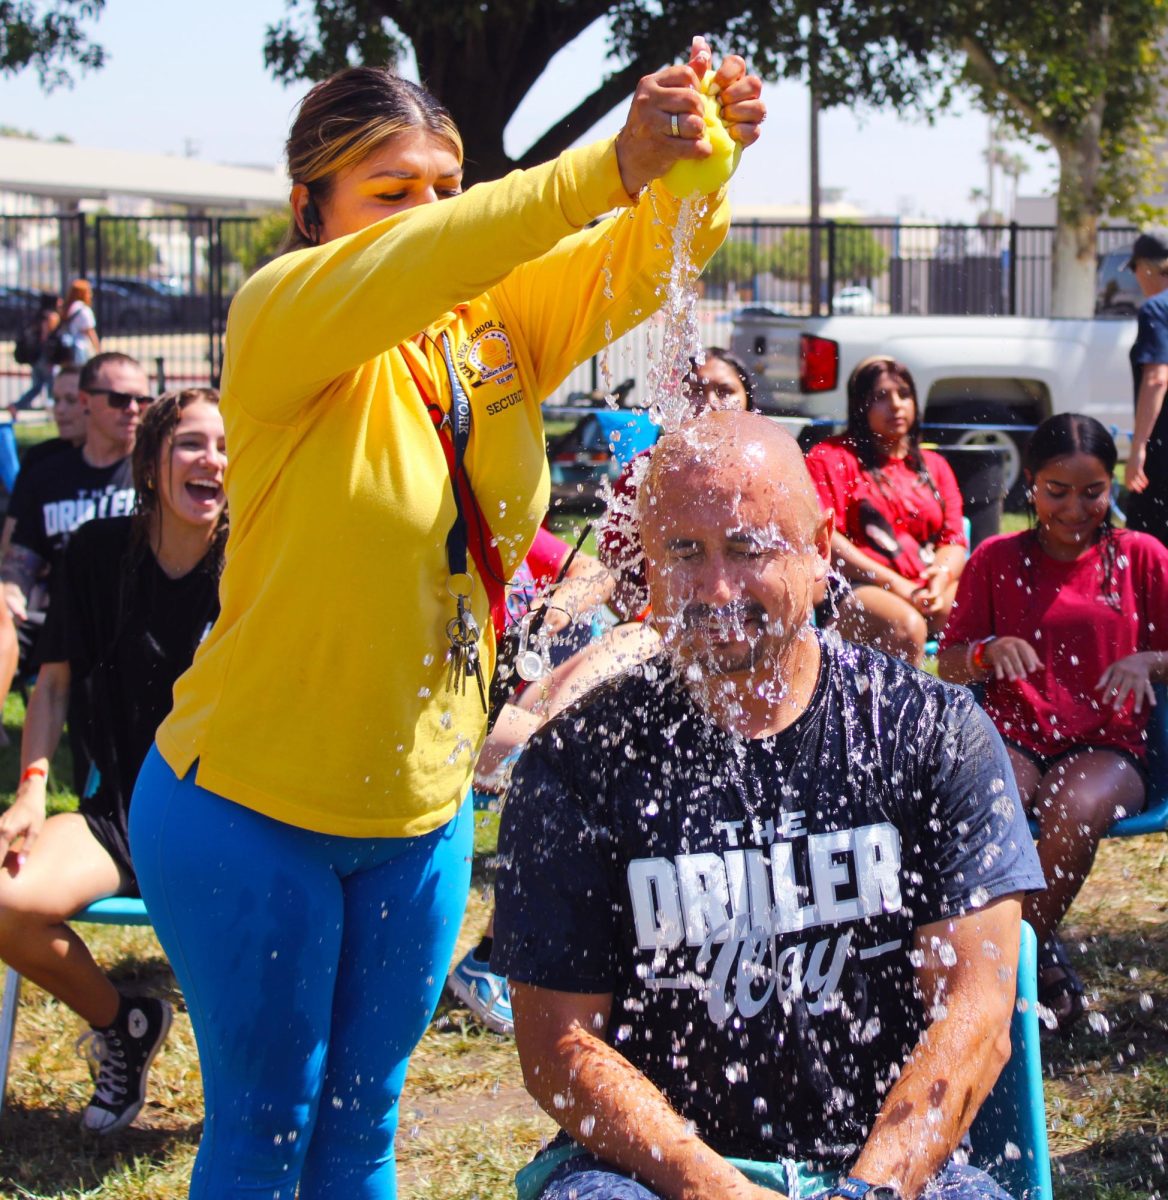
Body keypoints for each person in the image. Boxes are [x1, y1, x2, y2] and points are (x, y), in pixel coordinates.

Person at [127, 47, 765, 1200]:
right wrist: (606, 164)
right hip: (241, 809)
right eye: (388, 189)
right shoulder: (280, 315)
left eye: (443, 185)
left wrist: (695, 159)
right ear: (307, 211)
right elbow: (459, 246)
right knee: (266, 1127)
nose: (427, 212)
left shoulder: (488, 328)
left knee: (365, 1130)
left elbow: (631, 263)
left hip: (420, 817)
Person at [493, 410, 1043, 1200]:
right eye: (685, 551)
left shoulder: (929, 733)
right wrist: (706, 1184)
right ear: (646, 563)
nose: (717, 589)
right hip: (650, 1174)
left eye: (750, 548)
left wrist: (868, 1190)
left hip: (889, 1165)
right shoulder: (579, 762)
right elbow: (558, 1045)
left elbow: (977, 1006)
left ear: (821, 552)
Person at [0, 388, 226, 1136]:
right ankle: (124, 1026)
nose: (213, 460)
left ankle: (267, 1102)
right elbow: (54, 682)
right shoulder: (99, 553)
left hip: (237, 824)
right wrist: (32, 791)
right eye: (192, 443)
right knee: (4, 898)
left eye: (226, 446)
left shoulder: (257, 563)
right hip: (122, 814)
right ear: (152, 461)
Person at [938, 413, 1168, 1036]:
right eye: (1056, 492)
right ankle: (1043, 969)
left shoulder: (1140, 557)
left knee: (1073, 805)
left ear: (1113, 485)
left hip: (1109, 745)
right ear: (1030, 486)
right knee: (987, 800)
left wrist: (1153, 658)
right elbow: (951, 664)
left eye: (1092, 492)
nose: (1074, 509)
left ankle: (999, 968)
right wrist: (987, 651)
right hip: (1017, 737)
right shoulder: (995, 558)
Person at [449, 526, 615, 1034]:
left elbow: (596, 573)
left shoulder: (503, 515)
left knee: (638, 638)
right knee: (569, 762)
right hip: (451, 711)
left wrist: (555, 611)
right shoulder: (439, 518)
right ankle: (494, 958)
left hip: (518, 700)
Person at [1, 351, 146, 791]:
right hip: (55, 614)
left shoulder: (152, 470)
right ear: (87, 401)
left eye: (143, 399)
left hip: (127, 617)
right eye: (121, 399)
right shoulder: (48, 474)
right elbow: (19, 560)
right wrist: (9, 591)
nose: (135, 410)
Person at [805, 356, 967, 666]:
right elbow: (826, 539)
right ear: (860, 405)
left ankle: (969, 710)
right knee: (906, 626)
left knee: (985, 607)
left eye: (904, 394)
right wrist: (898, 585)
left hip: (925, 587)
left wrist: (940, 577)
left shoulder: (935, 466)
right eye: (881, 397)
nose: (896, 405)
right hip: (852, 589)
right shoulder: (831, 457)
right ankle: (895, 714)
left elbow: (954, 540)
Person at [600, 346, 757, 620]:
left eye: (724, 391)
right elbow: (613, 566)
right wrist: (652, 624)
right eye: (694, 391)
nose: (709, 403)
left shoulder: (771, 470)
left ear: (748, 402)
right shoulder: (644, 471)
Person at [0, 365, 89, 746]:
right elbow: (13, 545)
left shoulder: (135, 467)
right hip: (46, 603)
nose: (60, 410)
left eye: (72, 400)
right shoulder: (41, 463)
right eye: (56, 400)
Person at [1123, 228, 1168, 546]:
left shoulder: (1156, 310)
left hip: (1162, 452)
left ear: (1150, 267)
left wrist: (1139, 447)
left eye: (1136, 269)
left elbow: (1156, 378)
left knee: (1146, 544)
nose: (1137, 277)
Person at [12, 292, 61, 412]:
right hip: (45, 355)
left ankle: (18, 405)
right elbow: (46, 337)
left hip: (36, 355)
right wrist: (50, 356)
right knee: (50, 383)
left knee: (37, 386)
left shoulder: (38, 315)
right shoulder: (50, 316)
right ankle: (52, 406)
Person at [57, 279, 100, 366]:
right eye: (89, 291)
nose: (91, 294)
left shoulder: (67, 308)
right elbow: (90, 331)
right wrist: (98, 350)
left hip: (66, 347)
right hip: (79, 348)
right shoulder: (84, 310)